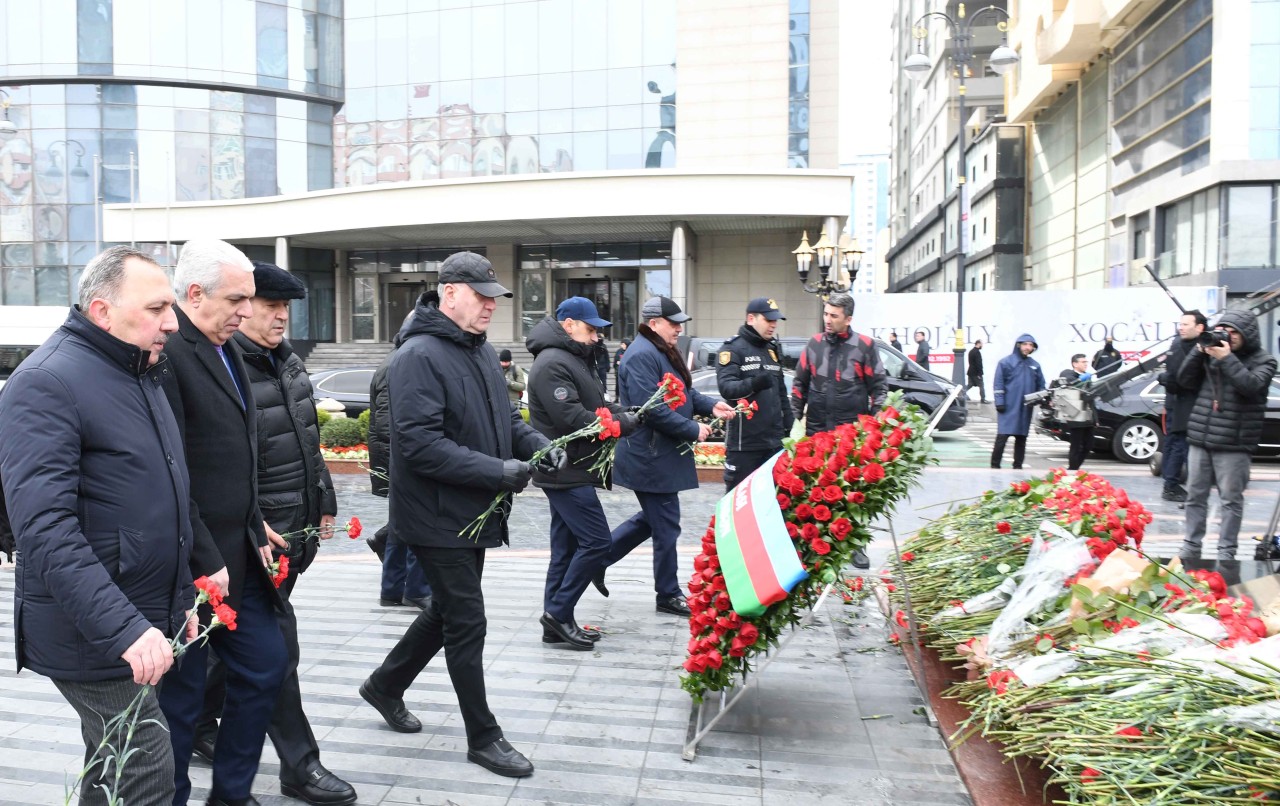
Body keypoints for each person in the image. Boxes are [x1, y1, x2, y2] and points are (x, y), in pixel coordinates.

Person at [358, 251, 562, 779]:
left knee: (447, 612)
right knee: (467, 620)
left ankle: (384, 685)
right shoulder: (419, 356)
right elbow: (420, 447)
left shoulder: (478, 350)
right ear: (449, 292)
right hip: (434, 515)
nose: (491, 304)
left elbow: (504, 422)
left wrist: (538, 444)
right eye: (481, 294)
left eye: (494, 296)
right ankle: (484, 737)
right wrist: (498, 471)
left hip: (471, 511)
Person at [0, 246, 189, 806]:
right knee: (145, 762)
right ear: (103, 311)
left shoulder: (135, 370)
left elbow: (164, 485)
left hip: (137, 614)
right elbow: (44, 527)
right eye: (157, 307)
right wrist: (124, 628)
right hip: (95, 628)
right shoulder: (48, 382)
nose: (172, 322)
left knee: (114, 760)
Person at [189, 261, 354, 805]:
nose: (281, 317)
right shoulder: (224, 366)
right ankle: (299, 764)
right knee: (273, 652)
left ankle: (201, 731)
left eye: (286, 307)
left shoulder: (285, 363)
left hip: (291, 532)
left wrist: (324, 498)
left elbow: (306, 440)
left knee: (229, 647)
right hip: (249, 541)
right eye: (268, 306)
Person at [156, 239, 289, 806]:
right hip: (189, 563)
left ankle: (231, 795)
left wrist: (255, 520)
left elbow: (237, 453)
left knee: (267, 665)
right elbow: (172, 471)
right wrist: (205, 556)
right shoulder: (167, 354)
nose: (246, 310)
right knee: (181, 702)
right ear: (193, 294)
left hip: (239, 552)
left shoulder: (226, 344)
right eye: (237, 298)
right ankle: (173, 796)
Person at [594, 296, 734, 616]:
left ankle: (596, 560)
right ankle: (667, 594)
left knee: (653, 520)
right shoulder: (642, 354)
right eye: (674, 324)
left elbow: (683, 393)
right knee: (666, 524)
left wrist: (710, 405)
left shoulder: (658, 350)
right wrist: (691, 429)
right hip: (650, 455)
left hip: (657, 454)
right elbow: (653, 409)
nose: (678, 329)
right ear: (654, 323)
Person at [527, 297, 641, 650]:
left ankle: (555, 622)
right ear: (569, 325)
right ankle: (558, 614)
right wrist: (621, 425)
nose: (596, 337)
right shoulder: (551, 363)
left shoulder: (573, 358)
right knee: (596, 542)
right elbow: (573, 419)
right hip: (565, 469)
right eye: (590, 329)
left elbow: (597, 404)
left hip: (572, 467)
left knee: (565, 549)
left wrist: (624, 411)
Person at [791, 292, 886, 569]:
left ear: (849, 318)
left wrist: (873, 426)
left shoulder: (865, 346)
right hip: (817, 431)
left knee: (854, 491)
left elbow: (879, 388)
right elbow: (799, 386)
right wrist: (795, 425)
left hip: (852, 435)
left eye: (834, 315)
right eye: (826, 314)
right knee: (816, 490)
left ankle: (857, 545)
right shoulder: (814, 344)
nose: (828, 320)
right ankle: (816, 543)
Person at [1177, 308, 1278, 561]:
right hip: (1201, 436)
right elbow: (1184, 380)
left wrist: (1226, 358)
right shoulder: (1210, 352)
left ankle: (1227, 550)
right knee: (1194, 496)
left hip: (1235, 442)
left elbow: (1251, 387)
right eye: (1225, 331)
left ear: (1248, 334)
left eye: (1235, 332)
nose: (1229, 336)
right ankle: (1191, 544)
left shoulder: (1264, 360)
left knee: (1230, 501)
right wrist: (1198, 351)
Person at [368, 313, 432, 610]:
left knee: (401, 525)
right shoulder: (402, 362)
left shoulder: (398, 359)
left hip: (397, 456)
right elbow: (386, 423)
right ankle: (415, 588)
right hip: (402, 459)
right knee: (419, 522)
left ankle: (392, 589)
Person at [716, 297, 794, 490]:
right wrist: (755, 383)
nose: (773, 325)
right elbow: (727, 388)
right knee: (738, 502)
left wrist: (790, 428)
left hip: (774, 443)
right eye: (769, 320)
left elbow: (781, 395)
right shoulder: (732, 349)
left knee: (774, 501)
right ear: (751, 318)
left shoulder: (772, 349)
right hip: (745, 446)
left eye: (775, 320)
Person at [1158, 310, 1207, 502]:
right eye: (1181, 324)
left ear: (1199, 327)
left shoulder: (1181, 344)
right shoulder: (1181, 345)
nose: (1181, 327)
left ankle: (1171, 485)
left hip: (1179, 404)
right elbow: (1178, 378)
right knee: (1181, 447)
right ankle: (1174, 486)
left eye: (1186, 324)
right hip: (1184, 405)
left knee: (1176, 446)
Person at [991, 334, 1046, 470]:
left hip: (1025, 408)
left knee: (1021, 439)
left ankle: (1018, 466)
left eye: (1031, 345)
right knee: (1002, 437)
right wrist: (999, 402)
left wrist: (1040, 399)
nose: (1028, 347)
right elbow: (998, 383)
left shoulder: (1034, 365)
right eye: (1025, 344)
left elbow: (1041, 385)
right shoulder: (1005, 362)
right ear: (1018, 345)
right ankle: (995, 466)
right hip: (1008, 405)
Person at [1055, 353, 1096, 471]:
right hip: (1076, 415)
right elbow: (1069, 380)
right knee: (1076, 446)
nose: (1085, 364)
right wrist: (1081, 379)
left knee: (1088, 445)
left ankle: (1074, 467)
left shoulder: (1088, 377)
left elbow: (1091, 399)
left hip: (1088, 415)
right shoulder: (1069, 374)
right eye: (1083, 362)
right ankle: (1073, 469)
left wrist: (1095, 419)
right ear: (1075, 364)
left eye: (1086, 362)